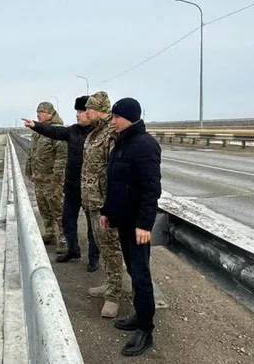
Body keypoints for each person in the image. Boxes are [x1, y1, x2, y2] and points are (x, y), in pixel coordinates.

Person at [100, 97, 162, 357]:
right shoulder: (121, 143)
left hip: (138, 226)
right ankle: (139, 315)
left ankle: (146, 330)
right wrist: (107, 212)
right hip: (123, 221)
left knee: (140, 275)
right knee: (133, 271)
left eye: (116, 116)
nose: (112, 121)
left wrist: (145, 224)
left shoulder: (145, 145)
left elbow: (151, 189)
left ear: (129, 117)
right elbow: (114, 183)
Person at [21, 96, 100, 270]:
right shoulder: (73, 130)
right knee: (67, 220)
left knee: (92, 226)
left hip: (89, 188)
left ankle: (94, 257)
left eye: (81, 112)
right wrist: (35, 125)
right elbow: (55, 132)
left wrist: (57, 179)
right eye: (77, 112)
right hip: (72, 186)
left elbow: (61, 156)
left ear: (90, 113)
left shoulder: (97, 134)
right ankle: (73, 250)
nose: (78, 115)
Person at [81, 91, 125, 318]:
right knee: (102, 246)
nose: (85, 112)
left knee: (111, 250)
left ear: (100, 110)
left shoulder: (110, 133)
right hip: (92, 201)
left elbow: (114, 172)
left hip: (104, 204)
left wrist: (110, 205)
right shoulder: (94, 133)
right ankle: (109, 284)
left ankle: (114, 296)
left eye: (89, 109)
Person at [24, 101, 68, 253]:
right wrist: (29, 168)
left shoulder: (57, 131)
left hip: (52, 179)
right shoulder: (37, 131)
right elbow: (33, 152)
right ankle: (50, 233)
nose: (37, 115)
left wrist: (57, 177)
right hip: (39, 178)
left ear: (50, 113)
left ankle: (64, 237)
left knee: (58, 208)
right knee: (44, 207)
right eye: (37, 112)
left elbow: (62, 156)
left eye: (40, 112)